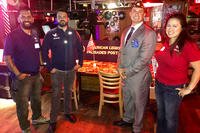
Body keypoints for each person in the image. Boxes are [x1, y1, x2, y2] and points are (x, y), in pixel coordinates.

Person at [3, 7, 49, 133]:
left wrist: (40, 65)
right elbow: (7, 58)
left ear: (32, 18)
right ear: (18, 19)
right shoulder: (12, 36)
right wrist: (18, 74)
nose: (26, 19)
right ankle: (25, 127)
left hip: (36, 75)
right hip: (22, 78)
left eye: (28, 16)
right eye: (23, 16)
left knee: (36, 99)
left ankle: (37, 117)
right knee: (22, 105)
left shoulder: (34, 33)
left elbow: (38, 50)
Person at [113, 1, 157, 133]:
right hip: (125, 73)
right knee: (128, 98)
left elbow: (144, 59)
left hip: (138, 76)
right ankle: (128, 119)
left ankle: (137, 128)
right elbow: (121, 51)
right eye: (134, 11)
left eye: (140, 12)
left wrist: (127, 72)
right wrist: (119, 67)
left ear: (144, 14)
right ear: (130, 13)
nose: (136, 14)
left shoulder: (149, 33)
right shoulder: (126, 30)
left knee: (139, 103)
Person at [154, 13, 200, 133]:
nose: (170, 29)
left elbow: (198, 69)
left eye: (175, 26)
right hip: (159, 84)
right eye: (169, 25)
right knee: (160, 115)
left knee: (170, 118)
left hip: (174, 88)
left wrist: (189, 89)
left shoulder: (188, 45)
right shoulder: (166, 40)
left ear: (182, 28)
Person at [42, 9, 83, 132]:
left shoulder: (74, 33)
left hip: (71, 70)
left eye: (64, 16)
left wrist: (80, 63)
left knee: (68, 93)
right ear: (56, 19)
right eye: (59, 16)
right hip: (57, 71)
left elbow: (80, 49)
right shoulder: (50, 34)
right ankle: (53, 120)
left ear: (68, 19)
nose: (61, 18)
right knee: (55, 95)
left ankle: (67, 113)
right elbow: (44, 52)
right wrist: (49, 67)